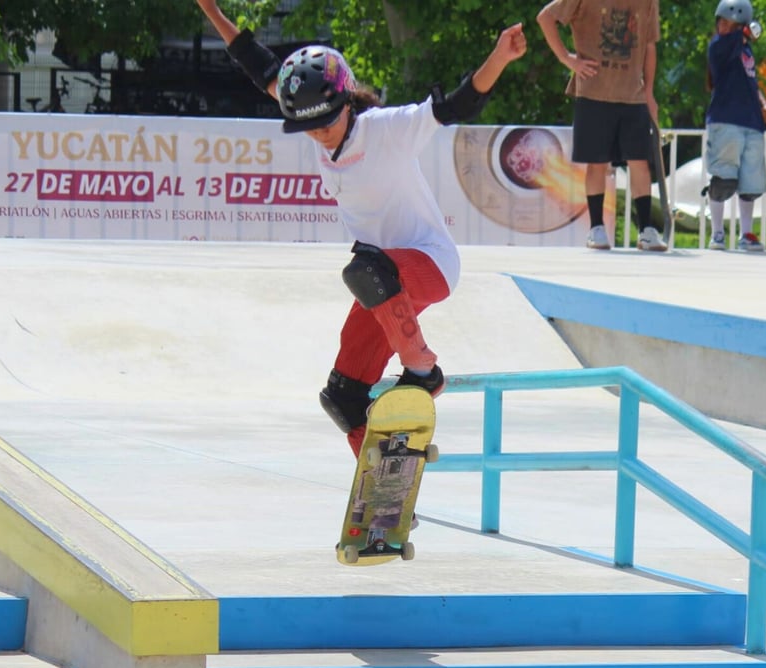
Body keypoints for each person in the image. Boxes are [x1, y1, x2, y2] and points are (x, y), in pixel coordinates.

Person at [195, 0, 527, 456]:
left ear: (346, 102)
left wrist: (501, 57)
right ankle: (387, 481)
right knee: (343, 397)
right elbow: (261, 66)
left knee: (365, 267)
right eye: (309, 127)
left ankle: (424, 372)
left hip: (428, 264)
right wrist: (211, 9)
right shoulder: (310, 107)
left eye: (327, 122)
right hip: (383, 287)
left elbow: (456, 104)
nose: (320, 133)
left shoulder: (386, 129)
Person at [537, 0, 667, 252]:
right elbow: (545, 17)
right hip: (593, 92)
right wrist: (567, 59)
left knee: (640, 162)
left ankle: (646, 230)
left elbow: (650, 44)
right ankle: (596, 228)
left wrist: (649, 93)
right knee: (597, 163)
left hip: (633, 94)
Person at [704, 0, 766, 252]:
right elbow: (734, 41)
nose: (725, 28)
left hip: (751, 122)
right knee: (724, 179)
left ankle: (746, 234)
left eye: (731, 24)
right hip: (725, 120)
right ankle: (717, 234)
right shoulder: (718, 46)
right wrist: (745, 31)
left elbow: (751, 83)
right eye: (722, 22)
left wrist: (764, 105)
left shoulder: (746, 52)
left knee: (750, 182)